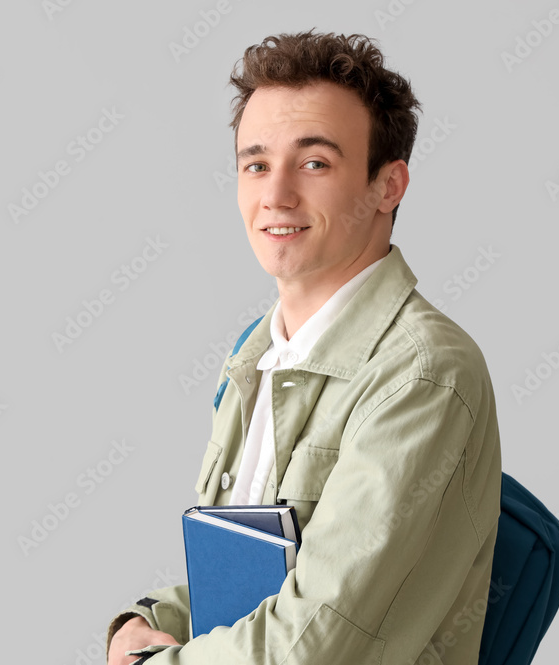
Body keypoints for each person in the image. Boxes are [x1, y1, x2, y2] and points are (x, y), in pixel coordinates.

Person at [106, 29, 502, 665]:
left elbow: (316, 640)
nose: (276, 194)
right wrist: (146, 622)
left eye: (314, 162)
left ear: (388, 185)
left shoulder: (421, 374)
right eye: (256, 163)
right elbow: (250, 584)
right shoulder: (260, 353)